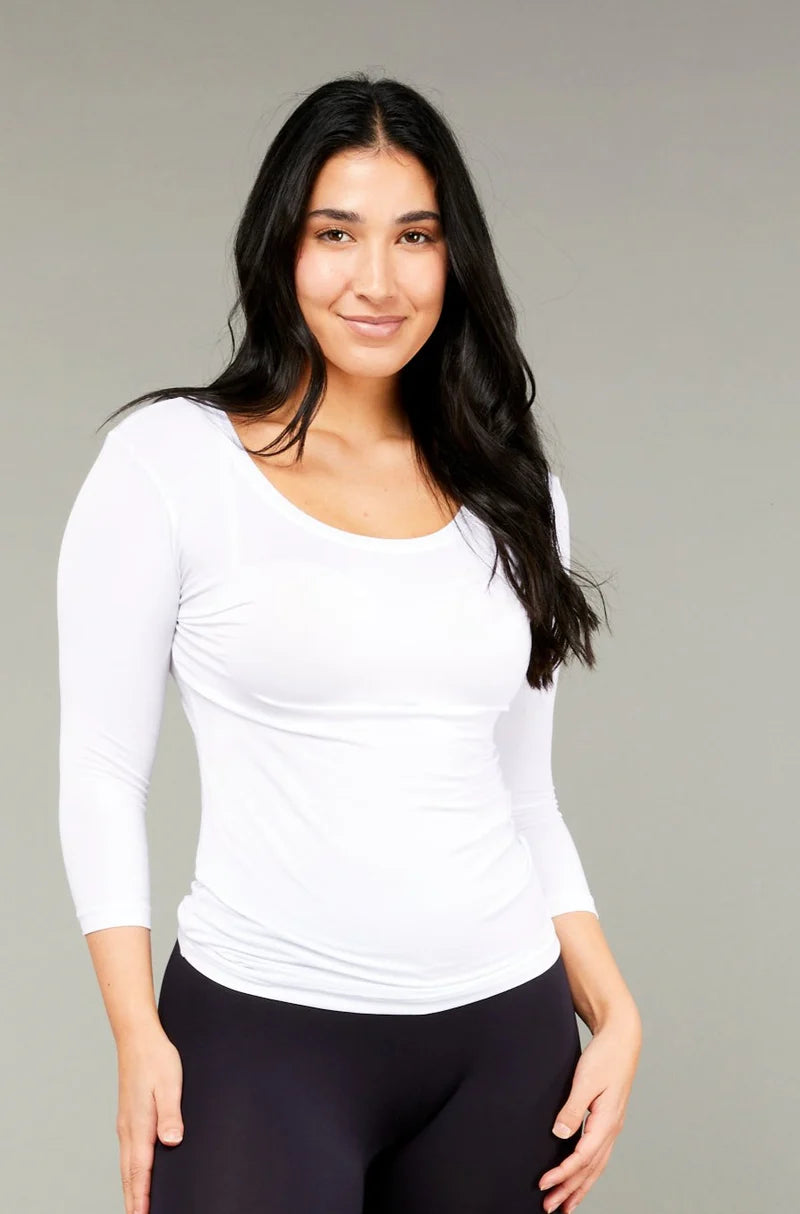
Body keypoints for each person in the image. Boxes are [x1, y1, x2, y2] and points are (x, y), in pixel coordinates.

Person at [56, 71, 642, 1214]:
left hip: (504, 1042)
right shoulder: (170, 463)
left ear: (453, 258)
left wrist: (612, 1007)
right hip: (260, 1038)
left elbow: (522, 793)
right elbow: (101, 770)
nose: (377, 278)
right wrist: (135, 1029)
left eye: (413, 236)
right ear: (281, 247)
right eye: (336, 233)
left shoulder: (514, 490)